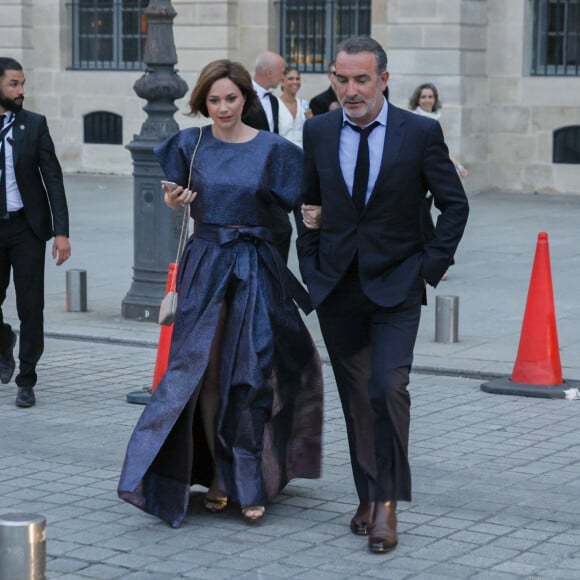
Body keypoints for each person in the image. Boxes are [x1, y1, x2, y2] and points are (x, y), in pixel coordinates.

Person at [118, 59, 323, 528]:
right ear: (202, 102)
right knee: (202, 376)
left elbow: (307, 205)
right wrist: (173, 199)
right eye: (214, 99)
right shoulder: (189, 145)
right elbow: (174, 191)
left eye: (231, 98)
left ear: (245, 99)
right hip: (206, 263)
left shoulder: (274, 150)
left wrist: (319, 226)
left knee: (250, 374)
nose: (223, 107)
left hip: (253, 266)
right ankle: (215, 477)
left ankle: (246, 481)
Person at [297, 37, 469, 554]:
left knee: (388, 388)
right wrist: (312, 265)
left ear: (384, 80)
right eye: (342, 80)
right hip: (337, 288)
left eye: (361, 80)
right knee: (355, 398)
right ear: (332, 79)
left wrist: (426, 270)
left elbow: (454, 206)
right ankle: (367, 493)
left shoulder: (420, 132)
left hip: (397, 285)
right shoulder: (319, 131)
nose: (351, 91)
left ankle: (387, 505)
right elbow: (307, 204)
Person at [0, 57, 71, 409]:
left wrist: (61, 232)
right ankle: (3, 342)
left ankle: (26, 380)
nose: (21, 91)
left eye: (22, 84)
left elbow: (53, 180)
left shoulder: (35, 125)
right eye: (14, 84)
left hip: (27, 228)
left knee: (31, 306)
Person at [409, 82, 468, 279]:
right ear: (417, 99)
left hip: (430, 178)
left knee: (425, 220)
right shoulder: (414, 118)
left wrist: (457, 165)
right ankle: (436, 261)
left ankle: (436, 261)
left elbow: (441, 149)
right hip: (416, 177)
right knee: (423, 221)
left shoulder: (436, 118)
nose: (427, 100)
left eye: (430, 96)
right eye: (424, 96)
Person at [242, 52, 293, 263]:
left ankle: (275, 275)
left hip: (270, 178)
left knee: (282, 230)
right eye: (282, 74)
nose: (283, 79)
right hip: (247, 176)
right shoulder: (243, 98)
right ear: (270, 72)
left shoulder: (272, 100)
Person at [277, 66, 312, 148]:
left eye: (297, 79)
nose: (295, 82)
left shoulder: (304, 104)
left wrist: (311, 121)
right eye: (290, 79)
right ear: (282, 81)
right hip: (281, 152)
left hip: (302, 153)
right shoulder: (275, 103)